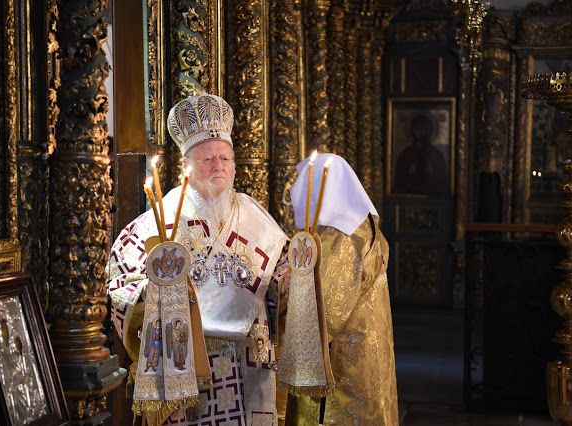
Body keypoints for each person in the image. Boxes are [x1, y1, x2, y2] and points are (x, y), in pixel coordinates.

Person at [108, 93, 289, 426]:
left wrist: (289, 283)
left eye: (225, 158)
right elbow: (121, 285)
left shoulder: (254, 216)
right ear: (185, 166)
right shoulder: (160, 220)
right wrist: (153, 293)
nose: (218, 166)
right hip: (188, 362)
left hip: (249, 364)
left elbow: (280, 273)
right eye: (207, 159)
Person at [286, 153, 399, 425]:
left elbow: (326, 310)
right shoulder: (360, 224)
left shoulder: (342, 236)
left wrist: (282, 292)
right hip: (367, 348)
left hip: (343, 362)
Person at [394, 113, 448, 194]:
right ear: (412, 130)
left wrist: (431, 173)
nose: (422, 133)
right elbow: (399, 182)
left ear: (430, 130)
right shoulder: (405, 154)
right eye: (418, 129)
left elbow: (442, 182)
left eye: (425, 129)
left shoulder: (436, 154)